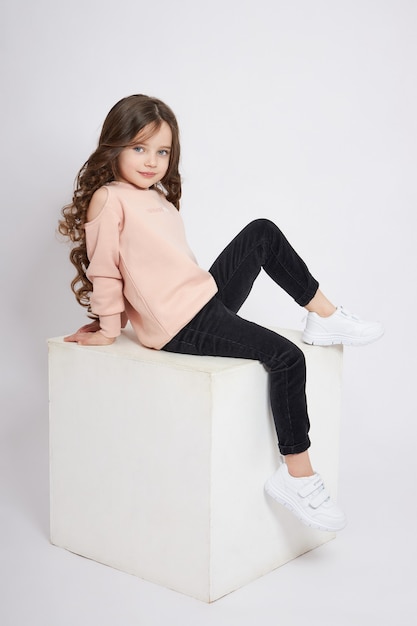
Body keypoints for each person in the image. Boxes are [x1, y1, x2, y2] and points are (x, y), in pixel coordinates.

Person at [59, 94, 383, 533]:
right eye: (139, 148)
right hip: (179, 325)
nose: (152, 161)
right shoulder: (109, 198)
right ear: (114, 145)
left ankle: (322, 313)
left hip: (203, 299)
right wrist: (107, 329)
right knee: (288, 358)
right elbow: (106, 271)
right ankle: (298, 474)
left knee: (261, 233)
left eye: (162, 151)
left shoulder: (155, 197)